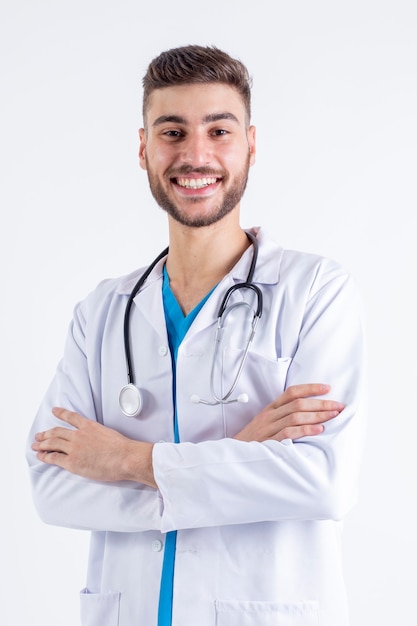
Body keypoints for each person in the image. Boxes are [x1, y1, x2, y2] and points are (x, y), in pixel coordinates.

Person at [27, 45, 366, 626]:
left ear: (251, 145)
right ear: (143, 149)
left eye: (219, 130)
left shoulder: (314, 290)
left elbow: (322, 481)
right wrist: (239, 462)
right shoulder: (102, 311)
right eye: (173, 131)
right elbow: (52, 488)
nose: (196, 154)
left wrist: (128, 460)